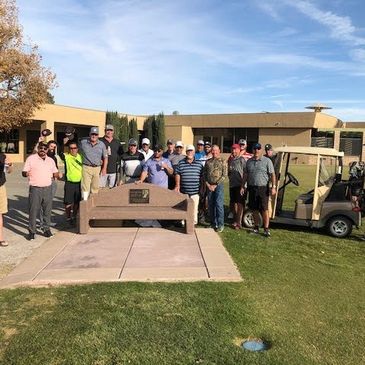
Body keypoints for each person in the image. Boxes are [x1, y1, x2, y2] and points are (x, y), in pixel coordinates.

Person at [22, 142, 59, 240]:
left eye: (45, 148)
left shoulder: (51, 160)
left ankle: (46, 229)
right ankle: (32, 231)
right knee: (33, 210)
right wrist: (26, 173)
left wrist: (57, 175)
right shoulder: (31, 158)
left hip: (48, 188)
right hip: (35, 189)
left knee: (47, 210)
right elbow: (24, 171)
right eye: (41, 148)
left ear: (47, 150)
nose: (43, 150)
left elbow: (55, 172)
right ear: (38, 148)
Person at [242, 142, 276, 237]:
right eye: (255, 149)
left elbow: (272, 174)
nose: (256, 150)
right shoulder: (249, 162)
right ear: (253, 150)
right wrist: (242, 186)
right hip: (252, 188)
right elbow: (246, 175)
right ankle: (256, 227)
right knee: (254, 209)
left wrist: (273, 187)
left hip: (263, 188)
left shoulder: (267, 161)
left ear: (261, 150)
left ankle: (266, 229)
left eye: (258, 149)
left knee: (264, 209)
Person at [175, 145, 204, 225]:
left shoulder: (199, 164)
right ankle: (183, 223)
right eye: (188, 151)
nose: (190, 152)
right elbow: (177, 174)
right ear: (186, 152)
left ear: (194, 152)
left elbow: (202, 176)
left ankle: (193, 224)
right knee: (184, 208)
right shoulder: (181, 163)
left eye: (191, 151)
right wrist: (177, 185)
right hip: (184, 191)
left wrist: (201, 189)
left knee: (194, 209)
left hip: (195, 191)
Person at [79, 127, 108, 199]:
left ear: (98, 135)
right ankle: (85, 202)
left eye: (96, 134)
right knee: (85, 187)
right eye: (92, 134)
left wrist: (104, 168)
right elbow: (77, 153)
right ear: (89, 134)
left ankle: (93, 204)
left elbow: (105, 157)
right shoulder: (83, 142)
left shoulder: (102, 144)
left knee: (95, 188)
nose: (94, 136)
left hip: (97, 168)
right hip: (86, 167)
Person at [204, 145, 227, 232]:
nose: (214, 152)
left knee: (218, 205)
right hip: (209, 186)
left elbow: (224, 175)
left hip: (218, 186)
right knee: (211, 205)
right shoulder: (208, 162)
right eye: (213, 151)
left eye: (216, 150)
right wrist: (208, 185)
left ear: (219, 151)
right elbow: (204, 174)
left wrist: (216, 185)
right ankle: (213, 223)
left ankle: (220, 224)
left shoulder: (223, 161)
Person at [60, 140, 83, 226]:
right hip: (69, 182)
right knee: (68, 202)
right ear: (69, 149)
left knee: (77, 202)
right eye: (71, 148)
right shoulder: (66, 157)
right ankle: (68, 218)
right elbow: (58, 151)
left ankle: (74, 216)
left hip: (79, 183)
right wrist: (65, 143)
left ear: (77, 149)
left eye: (75, 148)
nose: (73, 150)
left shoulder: (81, 157)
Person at [228, 144, 246, 229]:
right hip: (232, 185)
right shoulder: (231, 160)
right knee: (233, 203)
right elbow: (229, 172)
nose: (234, 151)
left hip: (240, 185)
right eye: (232, 149)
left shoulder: (242, 160)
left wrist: (243, 186)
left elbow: (245, 173)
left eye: (235, 149)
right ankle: (235, 220)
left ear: (239, 150)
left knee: (240, 204)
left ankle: (239, 222)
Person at [0, 153, 13, 247]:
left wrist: (10, 164)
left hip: (0, 187)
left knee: (0, 213)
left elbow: (9, 171)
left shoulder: (3, 156)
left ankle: (0, 238)